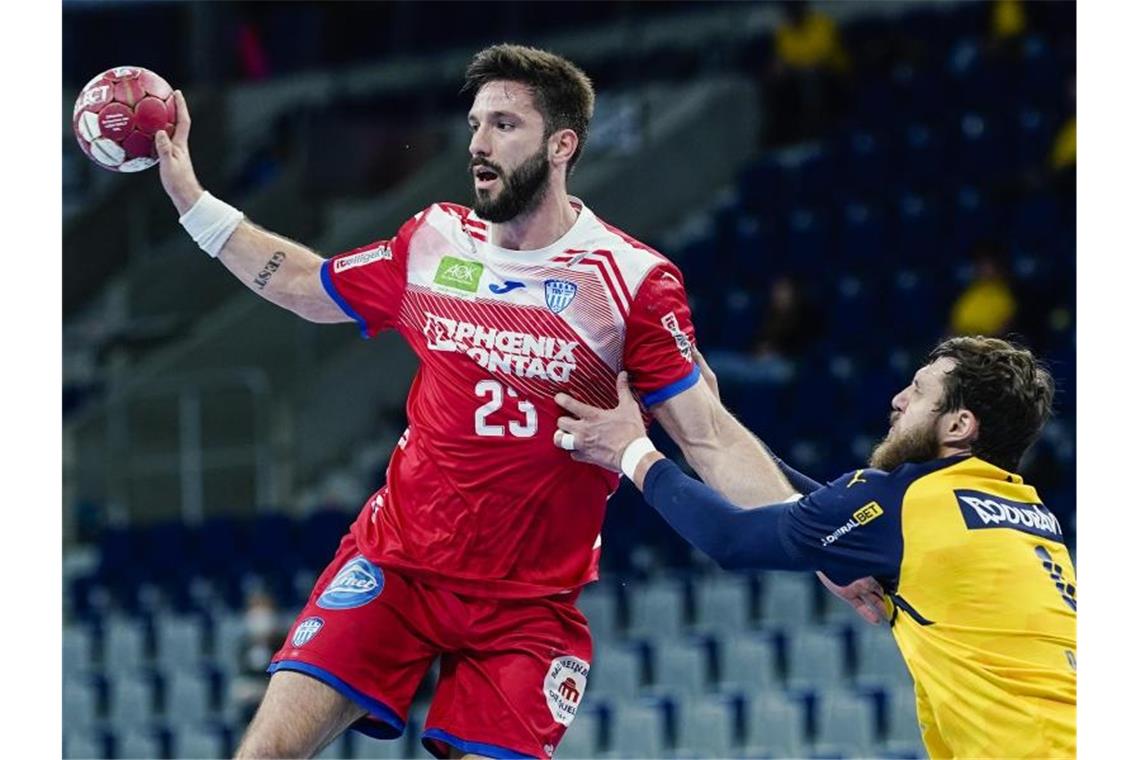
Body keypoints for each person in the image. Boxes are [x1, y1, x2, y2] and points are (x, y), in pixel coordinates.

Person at [154, 44, 799, 759]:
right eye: (474, 124)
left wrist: (818, 545)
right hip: (395, 566)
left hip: (526, 610)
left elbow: (710, 438)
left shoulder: (630, 280)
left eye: (503, 125)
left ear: (563, 145)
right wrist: (194, 204)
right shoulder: (433, 240)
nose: (478, 145)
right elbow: (308, 286)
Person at [554, 336, 1075, 759]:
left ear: (959, 426)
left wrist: (631, 451)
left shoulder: (907, 500)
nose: (898, 399)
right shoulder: (1027, 513)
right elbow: (813, 509)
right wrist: (708, 420)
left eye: (918, 392)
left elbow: (731, 539)